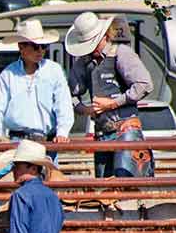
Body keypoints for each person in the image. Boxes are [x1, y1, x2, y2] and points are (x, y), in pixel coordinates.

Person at [66, 12, 154, 178]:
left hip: (126, 128)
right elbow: (69, 94)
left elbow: (144, 84)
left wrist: (113, 103)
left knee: (127, 182)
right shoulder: (84, 61)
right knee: (104, 187)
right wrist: (84, 109)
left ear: (104, 37)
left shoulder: (121, 53)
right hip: (102, 131)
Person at [0, 19, 74, 159]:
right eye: (35, 46)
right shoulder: (8, 75)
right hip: (17, 141)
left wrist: (62, 133)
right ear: (21, 47)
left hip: (47, 141)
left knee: (48, 179)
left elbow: (63, 105)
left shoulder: (54, 71)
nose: (40, 51)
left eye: (43, 46)